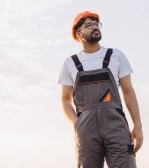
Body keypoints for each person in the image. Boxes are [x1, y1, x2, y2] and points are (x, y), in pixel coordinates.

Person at [58, 11, 143, 168]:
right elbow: (65, 100)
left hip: (115, 125)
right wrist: (77, 124)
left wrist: (137, 124)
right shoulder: (70, 63)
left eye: (97, 24)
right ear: (78, 33)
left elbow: (128, 91)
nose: (94, 27)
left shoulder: (116, 55)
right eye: (88, 25)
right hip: (86, 128)